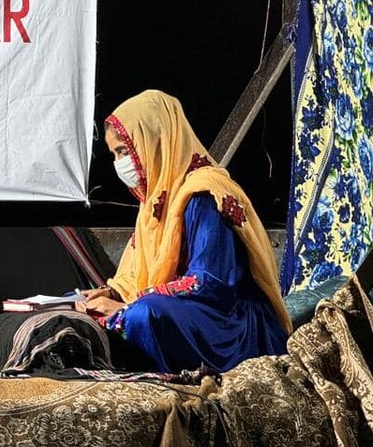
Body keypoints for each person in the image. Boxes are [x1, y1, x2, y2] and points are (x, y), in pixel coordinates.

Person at [81, 89, 292, 373]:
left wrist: (124, 309)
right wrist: (111, 294)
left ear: (156, 141)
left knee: (143, 315)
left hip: (230, 324)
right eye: (115, 154)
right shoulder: (155, 199)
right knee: (84, 310)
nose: (120, 163)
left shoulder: (204, 194)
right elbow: (138, 272)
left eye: (124, 151)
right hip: (190, 316)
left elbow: (209, 284)